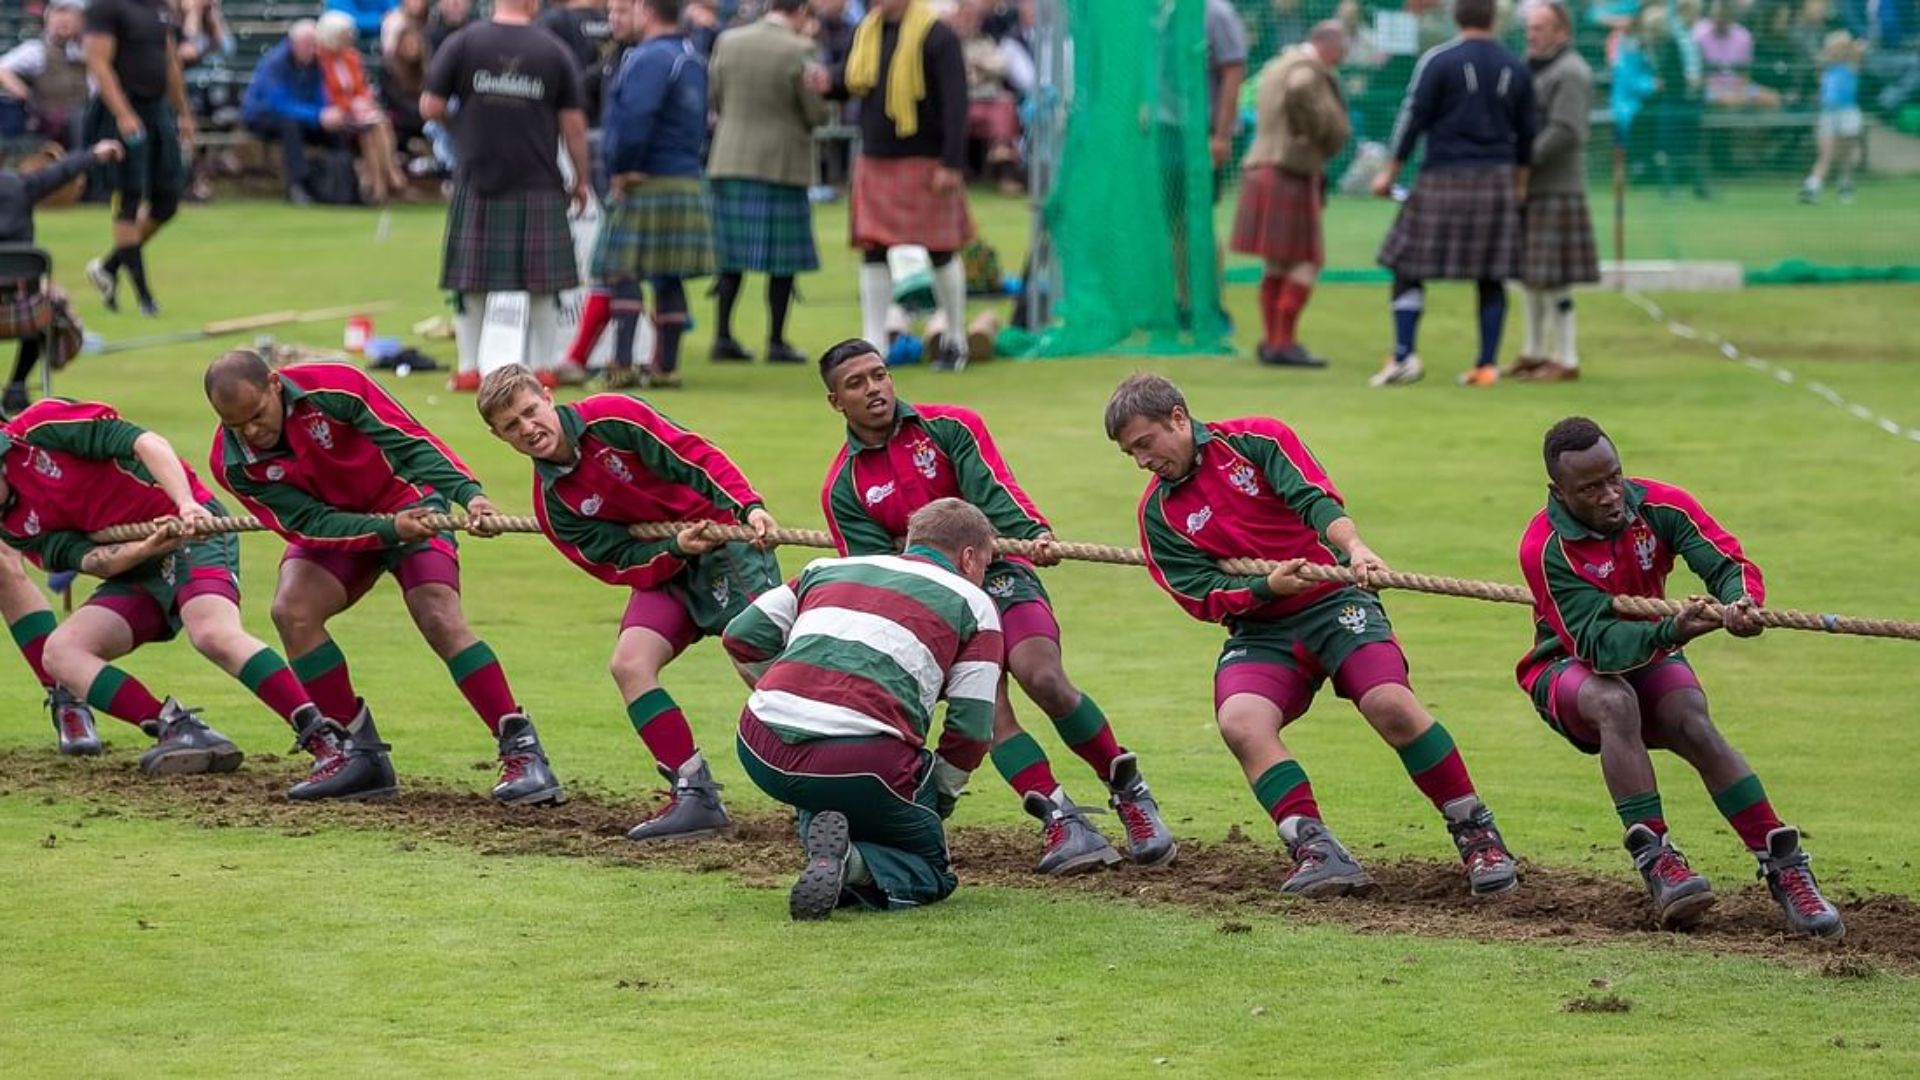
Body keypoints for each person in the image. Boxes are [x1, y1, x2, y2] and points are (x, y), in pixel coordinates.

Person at [1104, 372, 1517, 897]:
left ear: (1179, 419)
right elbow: (1198, 593)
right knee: (1240, 722)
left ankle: (1476, 832)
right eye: (1130, 454)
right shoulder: (1158, 514)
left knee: (1390, 703)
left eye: (1145, 444)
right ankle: (1315, 848)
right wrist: (1264, 588)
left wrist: (1356, 548)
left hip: (1336, 601)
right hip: (1262, 626)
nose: (1142, 461)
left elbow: (1315, 499)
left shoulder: (1256, 440)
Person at [819, 340, 1176, 874]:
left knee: (1044, 676)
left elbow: (994, 492)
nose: (874, 389)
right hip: (932, 608)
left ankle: (1131, 795)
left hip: (1002, 571)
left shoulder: (951, 428)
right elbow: (883, 577)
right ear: (835, 402)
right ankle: (1061, 819)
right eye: (857, 383)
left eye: (880, 375)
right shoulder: (843, 487)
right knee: (988, 713)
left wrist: (1031, 534)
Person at [1516, 416, 1844, 938]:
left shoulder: (1661, 504)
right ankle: (1659, 861)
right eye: (1591, 488)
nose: (1610, 495)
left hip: (1652, 650)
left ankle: (1786, 868)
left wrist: (1741, 602)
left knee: (1692, 720)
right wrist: (1674, 628)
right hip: (1567, 666)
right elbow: (1598, 646)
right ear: (1558, 491)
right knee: (1614, 702)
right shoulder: (1545, 547)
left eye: (1614, 477)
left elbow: (1725, 561)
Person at [202, 352, 562, 806]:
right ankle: (358, 756)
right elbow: (307, 524)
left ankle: (522, 750)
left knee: (437, 615)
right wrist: (386, 530)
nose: (252, 431)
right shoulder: (233, 462)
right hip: (340, 527)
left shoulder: (335, 386)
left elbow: (411, 442)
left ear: (276, 384)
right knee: (292, 612)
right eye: (236, 425)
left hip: (410, 500)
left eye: (257, 416)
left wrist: (469, 496)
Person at [476, 364, 783, 840]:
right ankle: (694, 793)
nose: (528, 428)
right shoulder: (553, 505)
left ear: (548, 397)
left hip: (726, 540)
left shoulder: (615, 418)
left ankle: (830, 780)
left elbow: (693, 456)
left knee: (759, 659)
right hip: (670, 564)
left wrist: (749, 506)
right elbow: (617, 562)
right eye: (511, 426)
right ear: (499, 437)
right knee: (629, 664)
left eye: (530, 412)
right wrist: (674, 549)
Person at [0, 399, 351, 791]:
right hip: (138, 562)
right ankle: (177, 728)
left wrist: (186, 505)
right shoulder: (13, 526)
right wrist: (142, 549)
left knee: (211, 633)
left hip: (192, 532)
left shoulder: (40, 429)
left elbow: (146, 443)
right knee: (60, 652)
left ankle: (327, 741)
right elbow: (93, 560)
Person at [726, 498, 1002, 919]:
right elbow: (971, 731)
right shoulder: (975, 604)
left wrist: (784, 687)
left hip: (758, 743)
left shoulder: (826, 568)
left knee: (824, 783)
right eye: (985, 564)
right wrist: (930, 806)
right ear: (968, 558)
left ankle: (824, 853)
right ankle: (851, 863)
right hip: (862, 763)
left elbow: (741, 636)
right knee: (933, 867)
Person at [422, 0, 590, 392]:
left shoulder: (463, 42)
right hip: (538, 180)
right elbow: (574, 126)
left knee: (472, 281)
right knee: (543, 284)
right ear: (532, 3)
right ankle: (544, 367)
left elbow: (429, 106)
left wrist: (463, 121)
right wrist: (581, 178)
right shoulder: (553, 50)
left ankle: (469, 369)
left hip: (477, 177)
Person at [1370, 0, 1535, 388]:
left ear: (1456, 17)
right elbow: (1528, 134)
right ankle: (1487, 366)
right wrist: (1521, 188)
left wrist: (1388, 173)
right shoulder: (1516, 66)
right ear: (1494, 18)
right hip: (1496, 180)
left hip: (1442, 176)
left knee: (1407, 266)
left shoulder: (1438, 60)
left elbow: (1412, 118)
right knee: (1491, 274)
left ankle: (1405, 354)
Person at [809, 0, 977, 371]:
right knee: (873, 249)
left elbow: (956, 103)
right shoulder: (866, 31)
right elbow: (852, 80)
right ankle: (873, 346)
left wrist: (951, 162)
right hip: (876, 158)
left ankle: (955, 340)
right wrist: (828, 82)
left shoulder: (938, 35)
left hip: (927, 160)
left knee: (941, 250)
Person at [592, 0, 714, 390]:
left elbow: (634, 119)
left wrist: (620, 167)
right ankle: (666, 369)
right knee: (667, 274)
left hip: (645, 178)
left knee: (622, 270)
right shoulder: (691, 56)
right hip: (684, 175)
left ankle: (622, 365)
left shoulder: (648, 58)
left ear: (646, 10)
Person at [707, 0, 829, 365]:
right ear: (801, 12)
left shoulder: (728, 40)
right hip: (780, 164)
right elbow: (815, 111)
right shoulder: (801, 48)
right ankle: (776, 341)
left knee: (729, 259)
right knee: (782, 263)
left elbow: (717, 97)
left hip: (729, 159)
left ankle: (722, 336)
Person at [1232, 20, 1351, 369]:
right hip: (1289, 169)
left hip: (1263, 166)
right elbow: (1301, 92)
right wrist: (1320, 132)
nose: (1343, 56)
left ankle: (1272, 342)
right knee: (1307, 260)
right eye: (1342, 48)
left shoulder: (1277, 64)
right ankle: (1284, 343)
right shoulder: (1306, 69)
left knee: (1278, 261)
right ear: (1328, 44)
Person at [82, 0, 197, 318]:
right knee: (130, 198)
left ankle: (107, 267)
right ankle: (145, 297)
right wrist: (123, 113)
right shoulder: (105, 7)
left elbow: (170, 60)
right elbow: (98, 62)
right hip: (123, 109)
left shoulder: (160, 6)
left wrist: (183, 112)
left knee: (168, 200)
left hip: (157, 109)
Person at [1506, 0, 1599, 384]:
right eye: (1529, 27)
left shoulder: (1571, 71)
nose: (1531, 33)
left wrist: (1521, 161)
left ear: (1562, 32)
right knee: (1531, 276)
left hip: (1556, 188)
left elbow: (1566, 130)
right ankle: (1534, 351)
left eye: (1540, 27)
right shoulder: (1534, 69)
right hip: (1534, 187)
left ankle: (1567, 357)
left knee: (1555, 277)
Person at [1, 140, 123, 416]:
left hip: (18, 307)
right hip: (25, 313)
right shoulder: (19, 185)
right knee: (52, 306)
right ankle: (18, 385)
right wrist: (94, 154)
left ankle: (18, 388)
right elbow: (61, 172)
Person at [242, 21, 353, 206]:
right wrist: (317, 116)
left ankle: (345, 186)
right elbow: (279, 104)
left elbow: (320, 94)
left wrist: (326, 114)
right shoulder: (275, 63)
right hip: (263, 117)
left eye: (314, 44)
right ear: (294, 43)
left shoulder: (316, 64)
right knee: (290, 125)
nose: (312, 49)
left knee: (335, 130)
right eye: (307, 44)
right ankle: (298, 185)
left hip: (303, 115)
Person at [316, 10, 410, 203]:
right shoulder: (320, 62)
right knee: (371, 129)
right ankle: (386, 180)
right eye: (345, 35)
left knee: (379, 123)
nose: (349, 38)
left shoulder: (352, 57)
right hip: (338, 114)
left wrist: (363, 103)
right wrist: (351, 106)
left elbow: (361, 88)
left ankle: (381, 183)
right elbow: (327, 95)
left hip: (359, 113)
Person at [0, 0, 91, 150]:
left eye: (70, 15)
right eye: (58, 14)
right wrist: (24, 93)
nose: (63, 20)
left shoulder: (91, 50)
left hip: (88, 120)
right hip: (52, 125)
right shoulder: (36, 50)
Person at [1800, 30, 1866, 203]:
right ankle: (1812, 187)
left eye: (1839, 49)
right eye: (1832, 49)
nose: (1835, 52)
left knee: (1846, 154)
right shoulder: (1825, 69)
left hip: (1847, 113)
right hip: (1828, 113)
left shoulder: (1852, 65)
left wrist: (1850, 46)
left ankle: (1845, 183)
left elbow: (1860, 49)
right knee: (1826, 153)